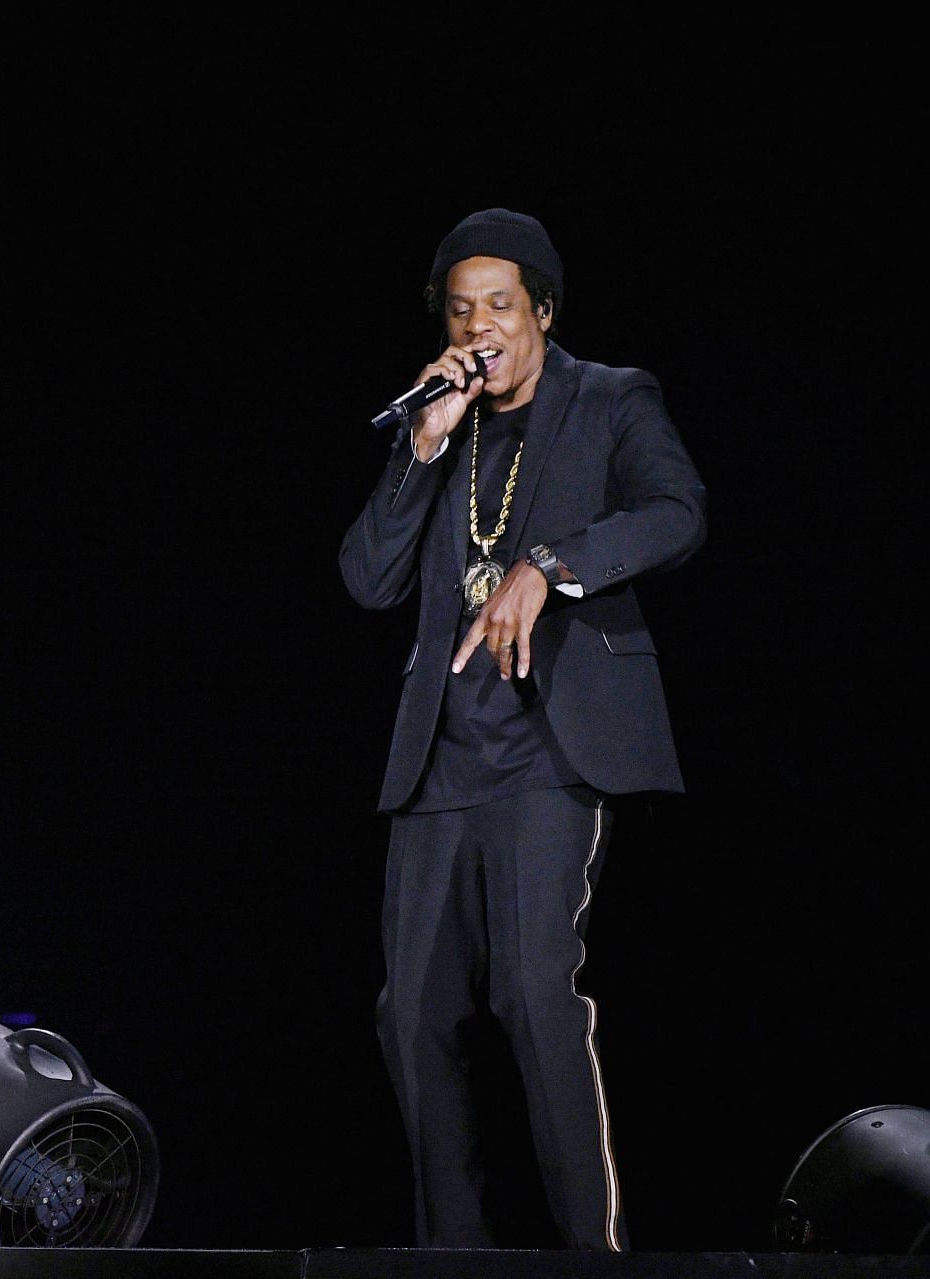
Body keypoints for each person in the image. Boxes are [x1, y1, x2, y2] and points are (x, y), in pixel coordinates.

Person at [339, 209, 705, 1251]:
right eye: (463, 310)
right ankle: (451, 1252)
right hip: (440, 758)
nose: (482, 326)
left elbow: (678, 511)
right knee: (407, 1014)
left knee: (534, 992)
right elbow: (367, 578)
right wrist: (420, 446)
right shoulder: (444, 426)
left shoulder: (611, 398)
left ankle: (595, 1253)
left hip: (549, 749)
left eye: (502, 305)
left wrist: (550, 564)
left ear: (542, 310)